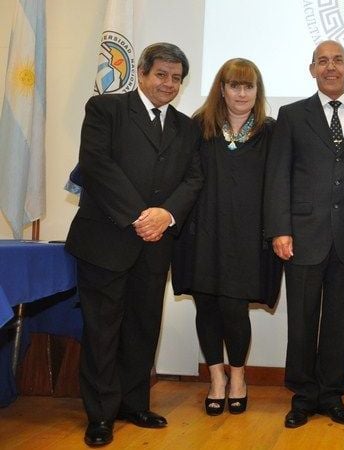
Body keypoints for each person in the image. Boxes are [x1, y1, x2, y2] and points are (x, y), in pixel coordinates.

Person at [65, 43, 202, 447]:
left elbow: (193, 179)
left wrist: (165, 215)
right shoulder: (105, 109)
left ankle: (133, 403)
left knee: (143, 327)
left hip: (156, 243)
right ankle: (101, 414)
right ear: (142, 73)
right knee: (103, 330)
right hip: (107, 238)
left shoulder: (186, 127)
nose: (168, 84)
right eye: (161, 74)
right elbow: (96, 164)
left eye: (176, 78)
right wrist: (141, 216)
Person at [264, 40, 344, 428]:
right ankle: (303, 396)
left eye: (338, 61)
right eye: (323, 62)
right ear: (312, 69)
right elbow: (278, 175)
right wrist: (279, 229)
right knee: (300, 321)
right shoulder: (292, 115)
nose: (330, 67)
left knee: (339, 322)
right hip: (301, 235)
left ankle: (332, 395)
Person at [171, 58, 281, 416]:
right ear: (222, 89)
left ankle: (238, 377)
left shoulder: (270, 131)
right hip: (202, 233)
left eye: (248, 86)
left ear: (257, 92)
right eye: (235, 85)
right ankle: (216, 378)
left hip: (248, 237)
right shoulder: (198, 127)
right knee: (206, 305)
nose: (241, 93)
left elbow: (280, 184)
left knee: (234, 309)